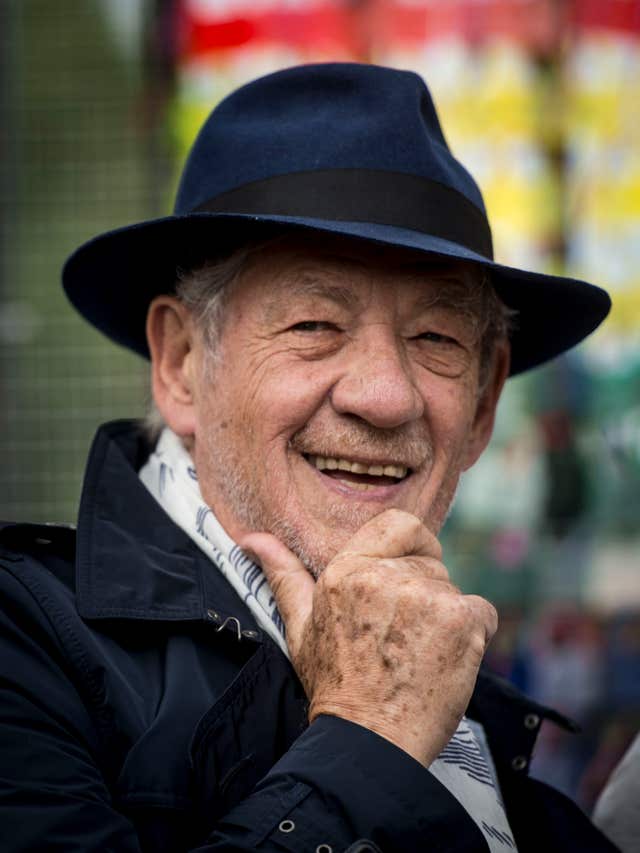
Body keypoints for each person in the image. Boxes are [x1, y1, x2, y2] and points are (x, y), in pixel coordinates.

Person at [0, 63, 618, 852]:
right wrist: (369, 737)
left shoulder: (529, 797)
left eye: (435, 338)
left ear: (484, 404)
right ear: (183, 361)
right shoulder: (23, 647)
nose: (385, 395)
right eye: (313, 325)